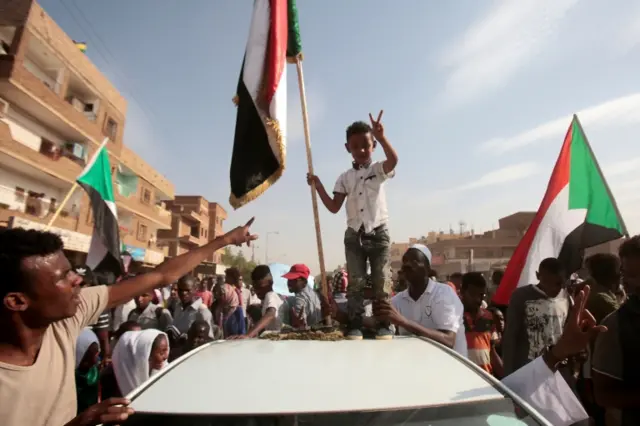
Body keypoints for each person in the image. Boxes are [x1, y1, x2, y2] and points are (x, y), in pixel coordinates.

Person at [0, 218, 257, 426]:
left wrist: (225, 240)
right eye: (62, 277)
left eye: (71, 270)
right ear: (17, 301)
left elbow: (160, 275)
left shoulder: (66, 318)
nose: (78, 280)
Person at [307, 111, 398, 340]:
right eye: (356, 146)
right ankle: (355, 324)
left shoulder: (378, 170)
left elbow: (394, 161)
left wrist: (383, 136)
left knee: (381, 280)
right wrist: (318, 186)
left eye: (366, 145)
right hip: (354, 236)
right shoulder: (344, 178)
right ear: (348, 148)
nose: (361, 150)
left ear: (373, 145)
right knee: (355, 282)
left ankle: (383, 324)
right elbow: (334, 206)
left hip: (378, 233)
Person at [374, 244, 468, 355]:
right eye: (405, 261)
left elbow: (448, 340)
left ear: (428, 269)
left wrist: (403, 321)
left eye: (414, 261)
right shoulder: (399, 300)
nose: (407, 264)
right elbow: (376, 321)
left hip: (452, 368)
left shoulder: (443, 294)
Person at [592, 235, 640, 426]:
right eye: (625, 274)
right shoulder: (615, 325)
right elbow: (604, 395)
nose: (626, 282)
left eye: (635, 275)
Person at [502, 257, 571, 376]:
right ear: (538, 276)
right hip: (528, 368)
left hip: (557, 369)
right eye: (548, 283)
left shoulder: (567, 298)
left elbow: (568, 333)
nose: (553, 288)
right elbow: (510, 336)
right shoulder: (521, 296)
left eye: (558, 284)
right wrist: (508, 372)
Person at [460, 272, 503, 377]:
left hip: (486, 379)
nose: (478, 300)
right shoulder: (453, 316)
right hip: (460, 378)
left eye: (481, 295)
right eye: (472, 294)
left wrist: (505, 375)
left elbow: (491, 351)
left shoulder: (489, 317)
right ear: (462, 292)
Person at [231, 265, 285, 339]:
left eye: (260, 287)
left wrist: (248, 335)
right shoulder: (276, 295)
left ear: (271, 283)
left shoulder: (270, 295)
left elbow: (270, 314)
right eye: (255, 287)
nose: (257, 291)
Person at [112, 329, 170, 396]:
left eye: (166, 350)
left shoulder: (167, 375)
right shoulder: (112, 381)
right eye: (162, 352)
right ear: (146, 354)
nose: (166, 356)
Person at [173, 275, 219, 339]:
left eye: (187, 290)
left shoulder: (202, 311)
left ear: (195, 289)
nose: (183, 293)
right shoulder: (178, 307)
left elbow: (208, 339)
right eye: (181, 290)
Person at [75, 328, 101, 414]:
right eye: (87, 358)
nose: (94, 361)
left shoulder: (93, 372)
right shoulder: (63, 376)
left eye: (96, 354)